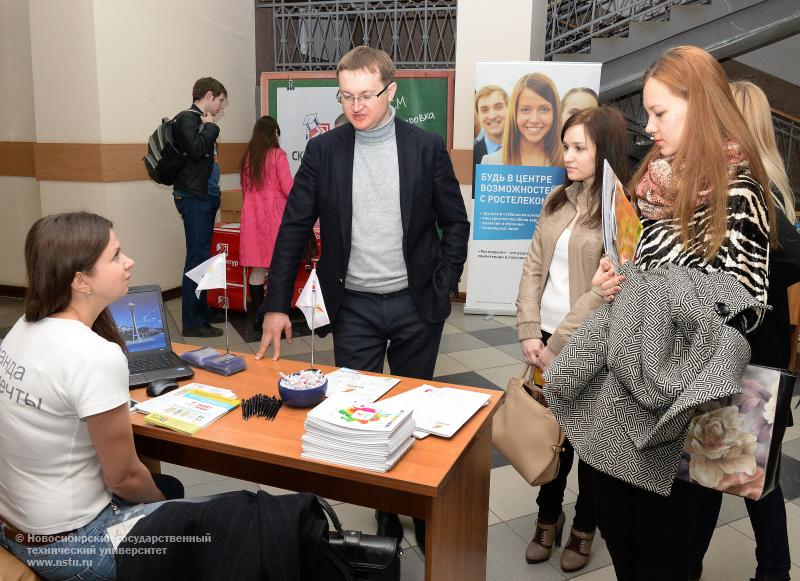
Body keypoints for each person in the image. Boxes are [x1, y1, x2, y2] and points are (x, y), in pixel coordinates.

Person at [254, 46, 470, 552]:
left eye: (366, 96)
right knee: (359, 414)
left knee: (415, 410)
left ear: (391, 91)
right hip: (353, 307)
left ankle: (417, 501)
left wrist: (442, 282)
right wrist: (276, 305)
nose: (355, 106)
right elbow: (292, 229)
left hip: (417, 304)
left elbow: (455, 223)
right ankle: (385, 510)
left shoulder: (425, 147)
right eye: (346, 96)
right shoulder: (326, 152)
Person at [570, 45, 774, 581]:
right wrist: (613, 283)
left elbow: (741, 305)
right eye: (648, 112)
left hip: (682, 419)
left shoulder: (741, 191)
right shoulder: (651, 184)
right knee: (624, 552)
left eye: (660, 113)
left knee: (669, 563)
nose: (650, 126)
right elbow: (643, 273)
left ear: (700, 106)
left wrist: (645, 293)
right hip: (619, 412)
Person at [0, 212, 184, 580]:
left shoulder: (22, 328)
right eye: (116, 256)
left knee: (170, 487)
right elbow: (125, 478)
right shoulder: (94, 355)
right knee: (201, 529)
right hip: (74, 547)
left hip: (16, 528)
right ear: (81, 281)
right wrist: (168, 514)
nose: (129, 262)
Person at [687, 80, 799, 581]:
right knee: (734, 472)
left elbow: (792, 256)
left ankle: (771, 570)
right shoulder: (755, 183)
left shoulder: (754, 187)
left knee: (740, 474)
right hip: (744, 357)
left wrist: (742, 281)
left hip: (750, 361)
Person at [516, 106, 628, 573]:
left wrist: (556, 342)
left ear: (606, 152)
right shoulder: (557, 200)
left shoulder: (620, 214)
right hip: (543, 339)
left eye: (580, 147)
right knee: (550, 436)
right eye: (568, 145)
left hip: (590, 345)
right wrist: (529, 330)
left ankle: (584, 528)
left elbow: (604, 294)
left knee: (589, 444)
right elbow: (533, 268)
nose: (569, 155)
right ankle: (548, 517)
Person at [173, 77, 228, 338]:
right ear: (208, 95)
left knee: (204, 258)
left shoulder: (201, 122)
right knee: (196, 258)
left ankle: (202, 310)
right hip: (194, 198)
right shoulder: (188, 118)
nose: (220, 108)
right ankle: (192, 322)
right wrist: (210, 128)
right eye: (219, 101)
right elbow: (195, 150)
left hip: (204, 198)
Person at [239, 116, 293, 331]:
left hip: (252, 216)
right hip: (274, 217)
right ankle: (275, 316)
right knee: (279, 268)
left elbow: (245, 189)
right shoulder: (278, 155)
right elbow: (289, 188)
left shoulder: (248, 157)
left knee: (258, 270)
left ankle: (258, 317)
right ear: (274, 133)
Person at [482, 73, 563, 167]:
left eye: (544, 109)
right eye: (525, 110)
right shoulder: (490, 163)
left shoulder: (568, 163)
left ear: (555, 113)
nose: (534, 120)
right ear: (514, 113)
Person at [472, 85, 509, 167]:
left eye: (498, 107)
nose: (492, 116)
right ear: (478, 115)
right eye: (484, 110)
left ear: (510, 110)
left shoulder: (529, 152)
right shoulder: (471, 156)